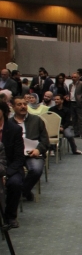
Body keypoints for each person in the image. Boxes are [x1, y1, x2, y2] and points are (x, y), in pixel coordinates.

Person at [10, 96, 50, 202]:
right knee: (9, 171)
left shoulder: (36, 120)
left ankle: (22, 191)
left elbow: (45, 141)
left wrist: (38, 150)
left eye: (24, 104)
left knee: (36, 170)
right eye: (19, 104)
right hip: (14, 155)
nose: (23, 106)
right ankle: (24, 192)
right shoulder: (9, 123)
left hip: (33, 153)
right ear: (13, 107)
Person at [0, 100, 25, 228]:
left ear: (3, 112)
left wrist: (5, 174)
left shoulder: (15, 129)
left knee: (14, 183)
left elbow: (19, 158)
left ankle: (10, 216)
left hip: (11, 167)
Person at [69, 71, 82, 139]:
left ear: (78, 78)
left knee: (81, 120)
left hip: (79, 103)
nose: (73, 78)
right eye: (72, 77)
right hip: (72, 102)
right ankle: (76, 133)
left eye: (75, 77)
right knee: (74, 119)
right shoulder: (70, 85)